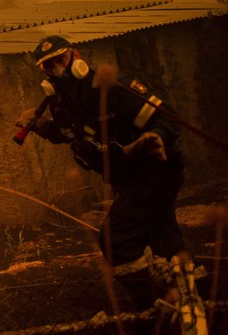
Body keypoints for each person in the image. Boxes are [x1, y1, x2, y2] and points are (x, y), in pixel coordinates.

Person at [17, 35, 185, 310]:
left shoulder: (112, 87)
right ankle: (188, 299)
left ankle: (150, 303)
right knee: (164, 241)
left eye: (61, 59)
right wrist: (40, 126)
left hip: (156, 173)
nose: (58, 69)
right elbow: (68, 134)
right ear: (44, 73)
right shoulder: (61, 102)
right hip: (128, 180)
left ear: (76, 56)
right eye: (49, 66)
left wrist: (155, 137)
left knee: (114, 238)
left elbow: (166, 118)